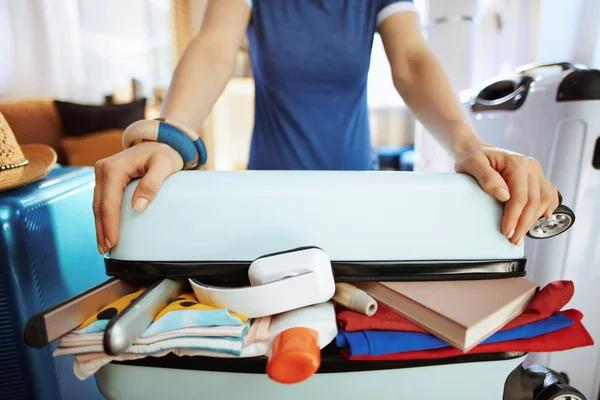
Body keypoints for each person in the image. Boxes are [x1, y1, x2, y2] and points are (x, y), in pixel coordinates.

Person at [93, 0, 560, 255]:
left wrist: (468, 144)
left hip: (355, 188)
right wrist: (173, 135)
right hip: (269, 191)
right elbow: (215, 47)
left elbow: (412, 62)